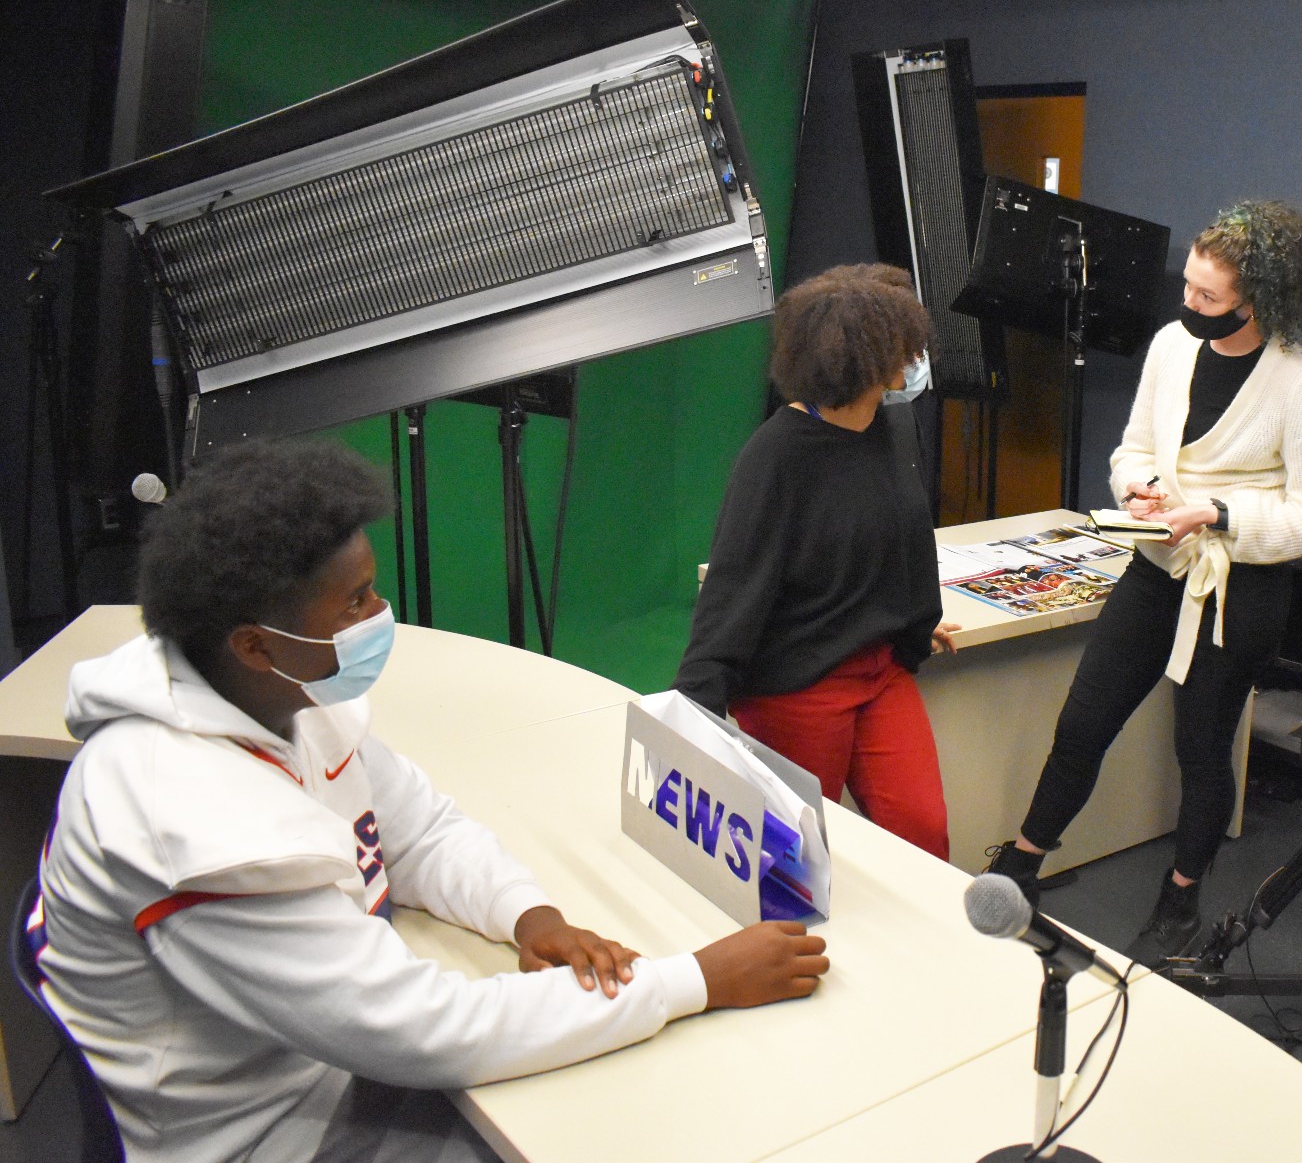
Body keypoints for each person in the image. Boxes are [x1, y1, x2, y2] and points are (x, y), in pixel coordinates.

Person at [32, 440, 829, 1163]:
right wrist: (695, 981)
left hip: (314, 1058)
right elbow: (425, 1030)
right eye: (354, 602)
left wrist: (528, 916)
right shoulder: (184, 816)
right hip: (266, 1132)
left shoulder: (273, 692)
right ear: (254, 643)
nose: (379, 617)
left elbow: (417, 832)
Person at [985, 200, 1302, 964]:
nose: (1189, 306)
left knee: (1202, 752)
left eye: (1207, 298)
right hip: (1157, 569)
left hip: (1235, 593)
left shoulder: (1298, 382)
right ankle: (1021, 863)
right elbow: (1132, 450)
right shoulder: (1171, 347)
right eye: (1187, 287)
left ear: (1260, 301)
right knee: (1083, 724)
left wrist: (1214, 513)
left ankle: (1180, 902)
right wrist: (1144, 489)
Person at [674, 264, 958, 861]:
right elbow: (731, 595)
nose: (915, 360)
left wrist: (908, 617)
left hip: (881, 670)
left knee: (923, 834)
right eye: (906, 349)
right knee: (795, 863)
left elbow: (896, 539)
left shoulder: (895, 427)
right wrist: (689, 722)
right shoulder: (773, 459)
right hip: (795, 687)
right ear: (873, 364)